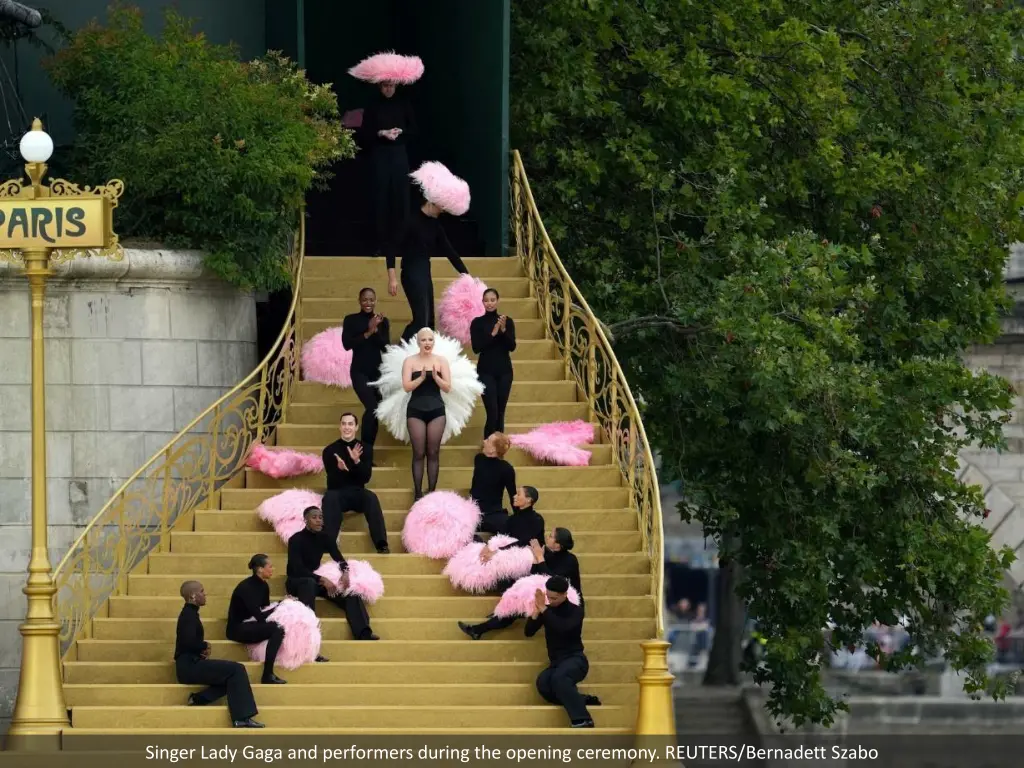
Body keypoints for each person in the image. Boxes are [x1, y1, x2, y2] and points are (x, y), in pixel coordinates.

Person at [387, 161, 472, 341]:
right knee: (421, 321)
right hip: (410, 272)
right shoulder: (410, 220)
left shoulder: (435, 226)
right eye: (442, 207)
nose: (443, 211)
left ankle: (419, 358)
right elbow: (391, 246)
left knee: (429, 322)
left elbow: (450, 252)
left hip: (425, 273)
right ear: (432, 202)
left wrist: (467, 274)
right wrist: (392, 277)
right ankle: (398, 350)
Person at [349, 53, 423, 255]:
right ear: (379, 86)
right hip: (380, 155)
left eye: (391, 85)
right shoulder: (373, 105)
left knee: (401, 200)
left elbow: (414, 131)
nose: (388, 89)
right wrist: (380, 133)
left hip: (399, 154)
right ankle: (379, 244)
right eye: (385, 86)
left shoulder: (404, 103)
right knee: (380, 199)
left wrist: (400, 132)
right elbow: (363, 133)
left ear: (396, 85)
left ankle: (401, 243)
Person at [460, 527, 585, 641]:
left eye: (551, 536)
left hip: (564, 602)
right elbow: (535, 574)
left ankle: (480, 628)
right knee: (512, 585)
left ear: (558, 546)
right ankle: (482, 626)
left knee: (516, 607)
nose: (547, 537)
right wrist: (536, 560)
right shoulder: (546, 551)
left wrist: (539, 557)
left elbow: (554, 582)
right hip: (546, 594)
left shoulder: (570, 560)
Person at [285, 506, 379, 655]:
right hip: (297, 581)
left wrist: (345, 572)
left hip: (315, 580)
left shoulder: (324, 537)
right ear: (306, 520)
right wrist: (322, 579)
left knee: (351, 593)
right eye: (314, 517)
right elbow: (297, 569)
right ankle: (309, 639)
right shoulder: (295, 539)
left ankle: (363, 633)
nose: (318, 520)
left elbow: (339, 558)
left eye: (320, 517)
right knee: (308, 584)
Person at [174, 580, 263, 728]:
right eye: (202, 591)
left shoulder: (190, 614)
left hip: (190, 663)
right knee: (237, 670)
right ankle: (241, 717)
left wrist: (200, 649)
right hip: (188, 666)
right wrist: (204, 645)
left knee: (232, 677)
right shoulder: (188, 616)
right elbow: (187, 642)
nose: (205, 594)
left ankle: (199, 699)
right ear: (193, 596)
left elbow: (187, 642)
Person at [526, 575, 594, 728]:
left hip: (576, 660)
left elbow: (563, 628)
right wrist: (536, 612)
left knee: (560, 678)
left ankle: (583, 719)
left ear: (564, 595)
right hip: (556, 663)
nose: (550, 601)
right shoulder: (547, 611)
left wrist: (544, 609)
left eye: (554, 598)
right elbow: (528, 632)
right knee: (543, 683)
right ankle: (579, 699)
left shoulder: (576, 611)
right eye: (548, 597)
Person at [322, 412, 389, 553]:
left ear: (356, 427)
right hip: (337, 493)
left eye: (350, 424)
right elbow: (331, 482)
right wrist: (339, 469)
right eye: (344, 424)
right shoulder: (329, 451)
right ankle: (329, 544)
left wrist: (357, 461)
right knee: (329, 497)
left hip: (357, 492)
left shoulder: (365, 449)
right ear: (339, 427)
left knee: (371, 497)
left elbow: (365, 478)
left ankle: (381, 544)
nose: (347, 427)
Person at [403, 327, 452, 498]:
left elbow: (447, 387)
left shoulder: (441, 361)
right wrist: (421, 378)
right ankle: (417, 493)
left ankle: (431, 492)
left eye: (430, 339)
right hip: (415, 409)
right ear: (418, 342)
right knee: (418, 452)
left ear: (434, 342)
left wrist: (436, 377)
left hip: (436, 410)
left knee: (433, 452)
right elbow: (406, 386)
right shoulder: (410, 361)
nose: (427, 343)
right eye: (423, 340)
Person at [225, 555, 288, 685]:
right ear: (260, 569)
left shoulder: (264, 586)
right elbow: (260, 616)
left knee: (280, 625)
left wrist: (281, 606)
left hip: (252, 623)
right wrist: (280, 605)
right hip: (238, 629)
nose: (272, 569)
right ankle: (267, 674)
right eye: (270, 566)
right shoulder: (246, 588)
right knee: (277, 629)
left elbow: (265, 610)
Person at [341, 288, 390, 446]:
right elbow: (347, 345)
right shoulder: (350, 320)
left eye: (371, 300)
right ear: (359, 301)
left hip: (377, 374)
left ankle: (367, 452)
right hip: (359, 372)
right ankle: (362, 449)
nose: (368, 303)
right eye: (365, 300)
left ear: (375, 301)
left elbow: (385, 347)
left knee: (375, 412)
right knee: (372, 406)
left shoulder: (383, 321)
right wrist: (368, 332)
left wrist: (376, 330)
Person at [471, 289, 516, 439]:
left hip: (505, 371)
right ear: (482, 302)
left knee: (501, 412)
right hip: (485, 371)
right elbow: (476, 348)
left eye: (492, 300)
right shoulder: (477, 323)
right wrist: (493, 333)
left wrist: (503, 330)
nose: (489, 303)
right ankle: (488, 447)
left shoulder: (507, 321)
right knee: (492, 412)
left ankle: (498, 450)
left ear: (498, 300)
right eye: (486, 300)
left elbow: (512, 346)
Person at [470, 432, 517, 537]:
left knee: (510, 527)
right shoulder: (479, 459)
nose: (484, 441)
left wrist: (519, 517)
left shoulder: (507, 469)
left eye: (488, 441)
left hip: (493, 513)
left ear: (493, 449)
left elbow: (512, 495)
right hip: (473, 510)